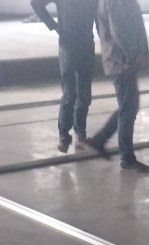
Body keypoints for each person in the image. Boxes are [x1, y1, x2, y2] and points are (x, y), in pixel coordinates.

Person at [86, 0, 149, 172]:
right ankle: (127, 158)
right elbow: (120, 31)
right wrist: (134, 56)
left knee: (128, 107)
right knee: (128, 108)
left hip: (120, 60)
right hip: (121, 62)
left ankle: (100, 140)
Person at [31, 0, 98, 153]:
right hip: (68, 46)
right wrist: (53, 25)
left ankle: (80, 135)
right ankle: (64, 136)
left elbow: (100, 17)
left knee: (84, 93)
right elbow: (36, 3)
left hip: (86, 45)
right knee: (70, 93)